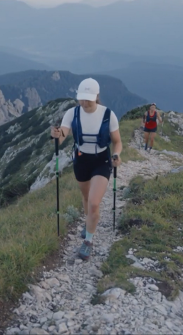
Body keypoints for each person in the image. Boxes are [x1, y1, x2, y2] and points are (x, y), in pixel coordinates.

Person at [50, 78, 122, 261]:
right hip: (81, 160)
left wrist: (116, 155)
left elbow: (117, 141)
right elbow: (62, 137)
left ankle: (89, 241)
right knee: (85, 197)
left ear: (97, 96)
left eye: (88, 98)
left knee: (94, 202)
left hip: (101, 160)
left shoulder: (108, 115)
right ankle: (88, 222)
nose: (84, 102)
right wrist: (56, 136)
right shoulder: (72, 114)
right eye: (81, 98)